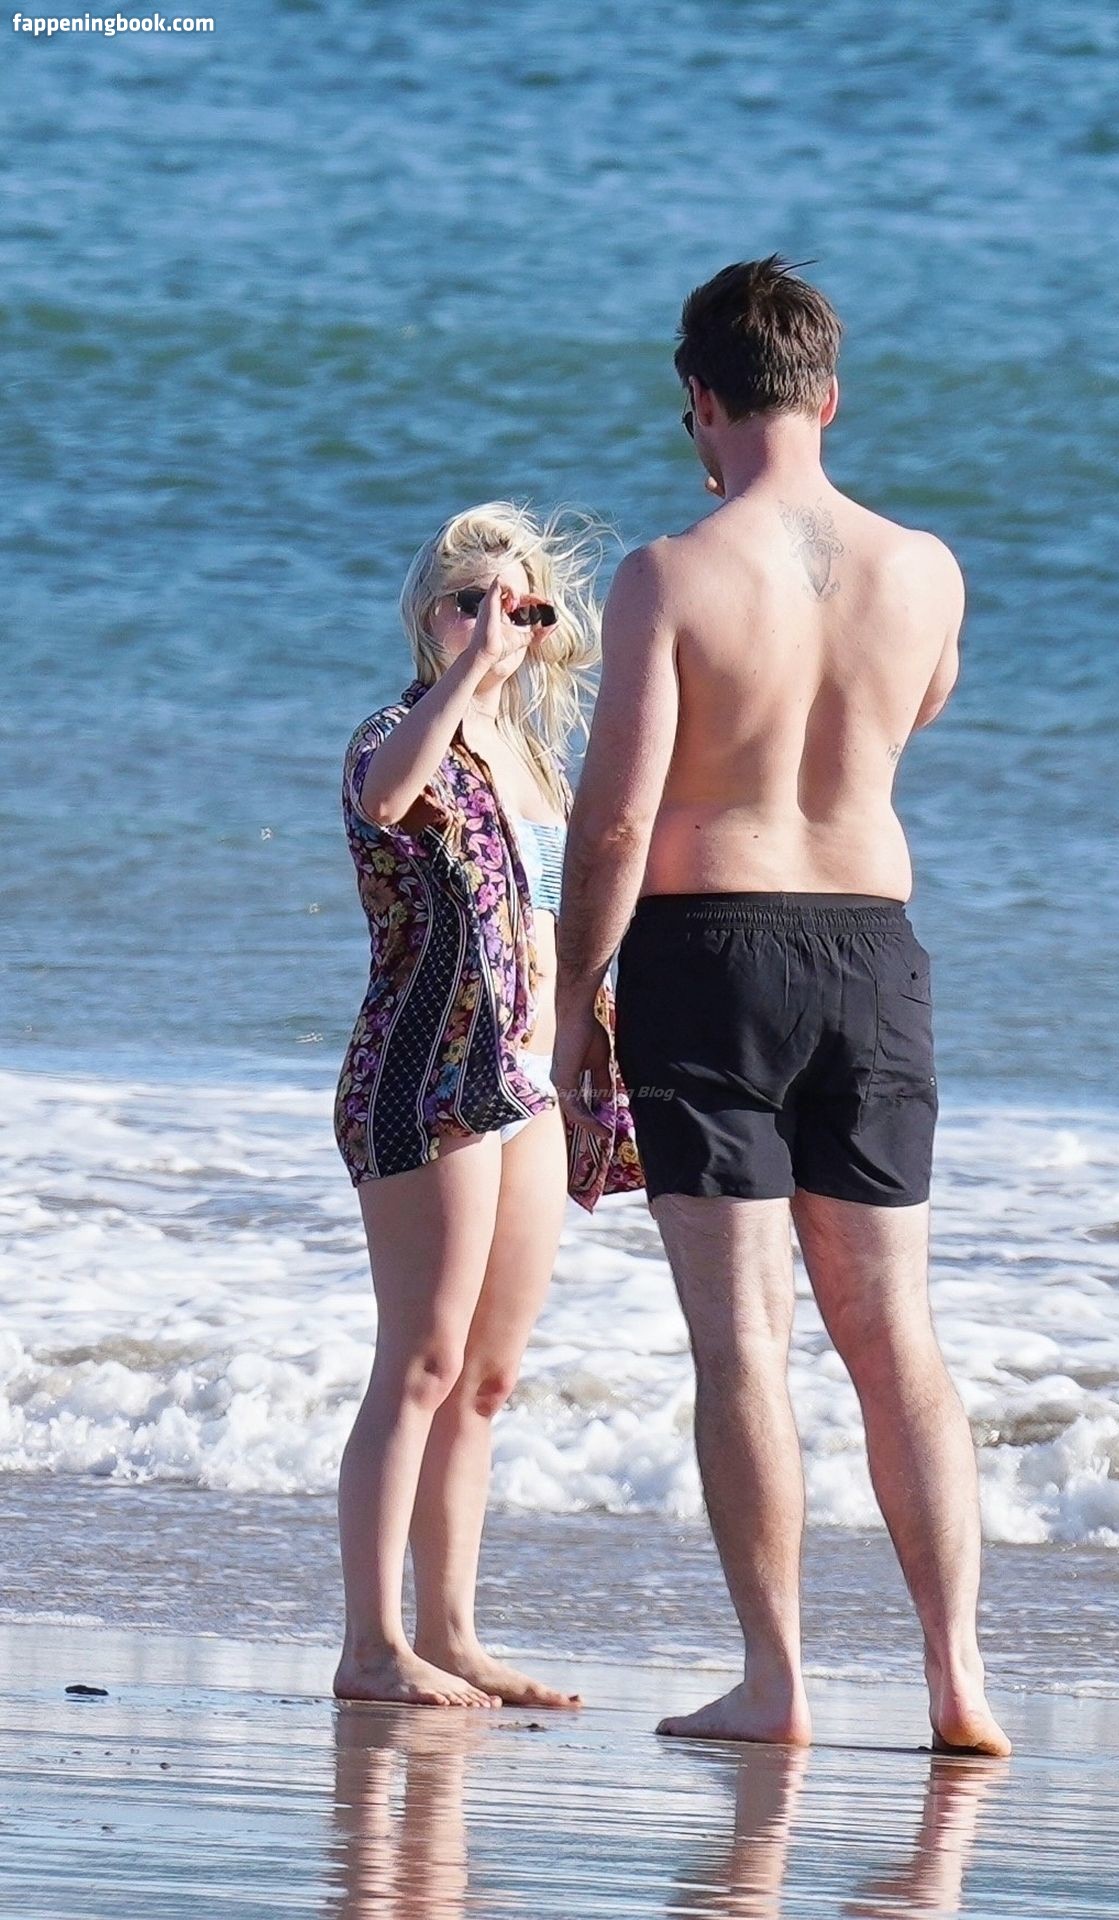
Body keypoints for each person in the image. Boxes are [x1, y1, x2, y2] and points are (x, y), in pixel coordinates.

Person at [553, 259, 1011, 1755]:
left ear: (700, 401)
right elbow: (914, 708)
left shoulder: (670, 574)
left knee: (745, 1342)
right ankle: (956, 1679)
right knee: (896, 1336)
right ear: (830, 396)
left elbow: (616, 822)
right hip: (872, 948)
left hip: (711, 956)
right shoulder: (925, 568)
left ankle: (778, 1684)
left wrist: (574, 1001)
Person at [333, 501, 640, 1710]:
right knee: (420, 1359)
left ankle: (451, 1633)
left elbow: (557, 926)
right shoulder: (396, 731)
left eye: (517, 606)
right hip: (424, 1074)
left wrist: (590, 1048)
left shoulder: (537, 765)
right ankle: (371, 1646)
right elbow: (383, 802)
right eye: (470, 603)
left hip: (524, 1083)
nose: (495, 624)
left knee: (487, 1377)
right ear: (430, 616)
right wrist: (463, 674)